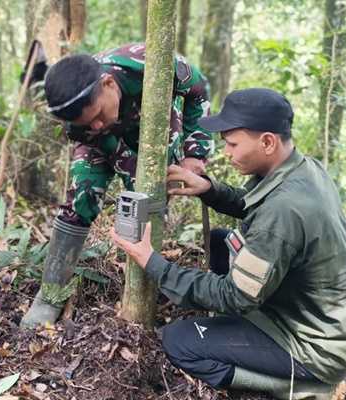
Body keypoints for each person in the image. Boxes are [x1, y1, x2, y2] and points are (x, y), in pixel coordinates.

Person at [110, 88, 346, 399]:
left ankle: (302, 386)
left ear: (268, 142)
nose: (227, 153)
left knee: (178, 342)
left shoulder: (283, 211)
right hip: (321, 320)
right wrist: (209, 190)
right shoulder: (302, 170)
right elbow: (257, 204)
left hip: (315, 347)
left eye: (233, 144)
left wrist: (153, 263)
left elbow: (235, 296)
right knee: (220, 241)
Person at [21, 43, 213, 328]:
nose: (96, 123)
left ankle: (145, 289)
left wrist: (195, 154)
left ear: (108, 83)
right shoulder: (75, 116)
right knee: (79, 199)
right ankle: (49, 295)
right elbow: (96, 137)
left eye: (98, 114)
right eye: (89, 121)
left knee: (147, 204)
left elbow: (199, 91)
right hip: (105, 145)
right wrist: (124, 163)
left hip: (156, 126)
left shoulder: (147, 64)